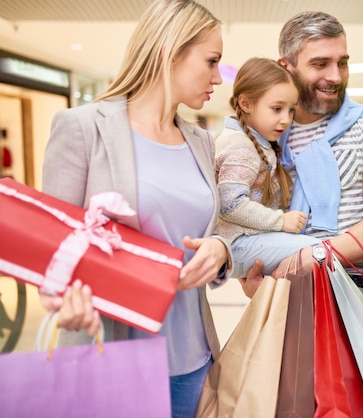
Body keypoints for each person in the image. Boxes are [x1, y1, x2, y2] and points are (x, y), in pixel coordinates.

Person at [38, 1, 231, 416]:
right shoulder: (83, 128)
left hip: (195, 359)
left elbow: (213, 228)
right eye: (212, 61)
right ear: (170, 50)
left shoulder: (200, 141)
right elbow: (54, 252)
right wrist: (64, 301)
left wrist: (219, 250)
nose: (218, 77)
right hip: (113, 356)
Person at [240, 11, 363, 296]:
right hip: (282, 296)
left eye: (342, 63)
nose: (335, 76)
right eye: (320, 64)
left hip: (354, 299)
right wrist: (253, 275)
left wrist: (315, 256)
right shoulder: (266, 140)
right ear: (287, 67)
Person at [214, 57, 320, 278]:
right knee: (321, 251)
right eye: (277, 109)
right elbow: (230, 204)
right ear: (246, 104)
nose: (286, 119)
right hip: (236, 244)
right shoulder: (239, 145)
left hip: (246, 241)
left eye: (290, 110)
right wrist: (280, 221)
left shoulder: (258, 142)